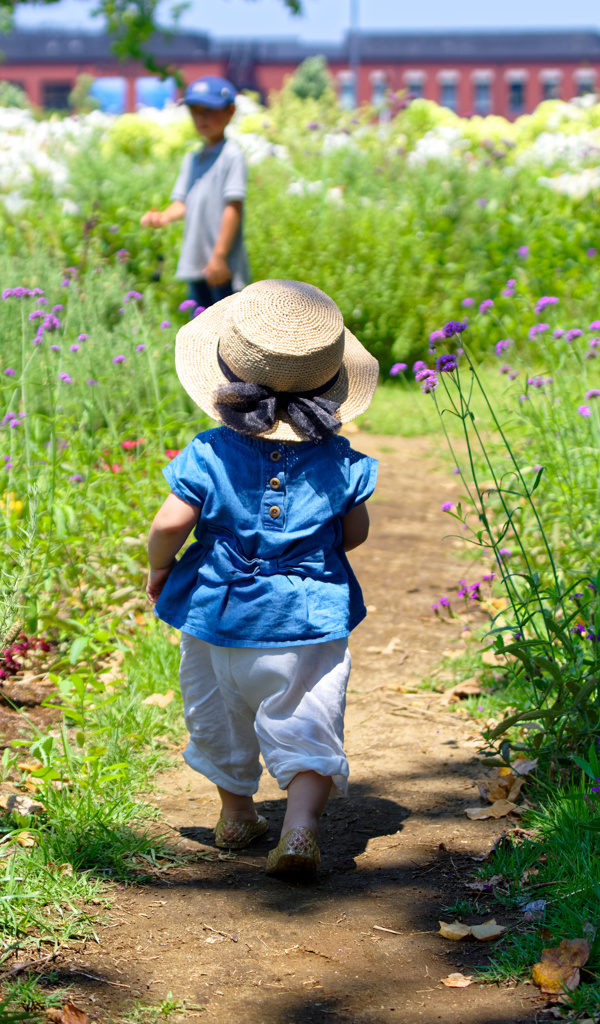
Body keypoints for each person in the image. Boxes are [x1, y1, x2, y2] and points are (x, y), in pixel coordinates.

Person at [147, 279, 379, 881]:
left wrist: (159, 568)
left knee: (219, 713)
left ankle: (236, 816)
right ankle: (300, 831)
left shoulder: (208, 453)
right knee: (306, 718)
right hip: (308, 618)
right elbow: (353, 534)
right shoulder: (342, 460)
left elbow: (169, 524)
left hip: (218, 610)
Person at [140, 75, 250, 309]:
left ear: (230, 111)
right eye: (195, 111)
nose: (202, 118)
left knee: (226, 336)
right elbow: (182, 203)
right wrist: (162, 217)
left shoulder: (231, 155)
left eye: (209, 110)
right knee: (200, 335)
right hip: (196, 261)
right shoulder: (193, 158)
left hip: (221, 267)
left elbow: (233, 207)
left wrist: (220, 256)